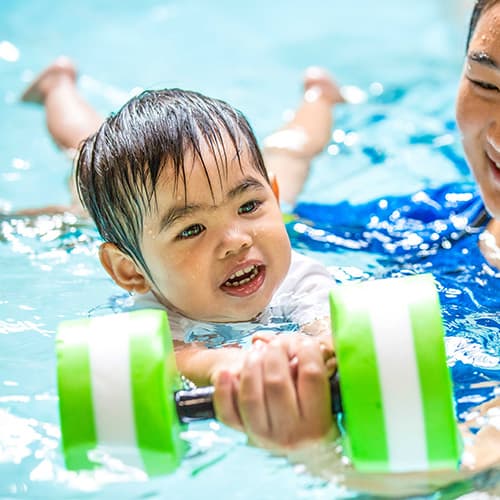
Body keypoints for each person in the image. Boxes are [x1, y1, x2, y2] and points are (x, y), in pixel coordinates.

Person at [21, 60, 345, 451]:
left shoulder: (298, 275)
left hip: (245, 183)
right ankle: (57, 86)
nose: (236, 241)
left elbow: (329, 325)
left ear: (269, 199)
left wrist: (323, 348)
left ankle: (320, 94)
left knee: (291, 153)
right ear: (131, 271)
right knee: (82, 158)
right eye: (191, 230)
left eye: (249, 206)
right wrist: (222, 366)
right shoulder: (153, 310)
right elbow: (170, 357)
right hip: (122, 213)